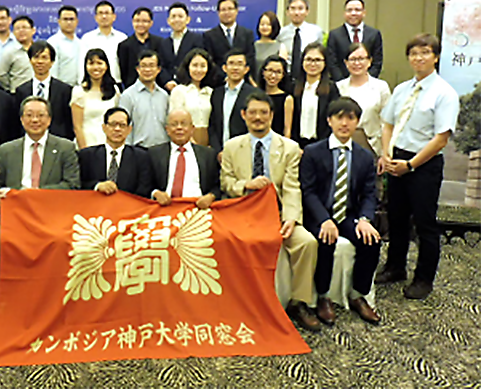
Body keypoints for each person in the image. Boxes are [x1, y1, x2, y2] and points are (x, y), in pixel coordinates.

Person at [220, 92, 320, 332]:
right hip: (243, 213)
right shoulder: (232, 146)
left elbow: (293, 187)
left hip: (277, 214)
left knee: (307, 242)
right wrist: (245, 184)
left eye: (264, 112)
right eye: (252, 112)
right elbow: (225, 182)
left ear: (272, 115)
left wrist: (291, 219)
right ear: (243, 115)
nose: (258, 118)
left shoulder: (290, 148)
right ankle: (234, 305)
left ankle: (300, 302)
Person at [376, 34, 459, 300]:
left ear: (435, 57)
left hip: (423, 164)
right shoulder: (401, 89)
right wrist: (387, 154)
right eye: (413, 53)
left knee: (424, 224)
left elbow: (441, 139)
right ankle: (395, 267)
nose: (418, 58)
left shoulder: (445, 92)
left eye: (425, 53)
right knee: (397, 218)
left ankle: (424, 278)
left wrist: (410, 165)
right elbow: (388, 124)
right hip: (397, 160)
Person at [300, 97, 381, 325]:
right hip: (319, 216)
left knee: (371, 241)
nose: (344, 123)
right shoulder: (313, 152)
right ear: (329, 121)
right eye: (339, 118)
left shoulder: (364, 156)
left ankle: (358, 295)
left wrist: (365, 219)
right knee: (326, 239)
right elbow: (308, 191)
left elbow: (369, 194)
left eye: (350, 118)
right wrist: (324, 219)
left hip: (348, 216)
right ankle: (323, 297)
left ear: (357, 122)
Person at [0, 96, 80, 273]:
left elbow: (72, 186)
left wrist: (35, 193)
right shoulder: (6, 150)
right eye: (29, 115)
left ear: (49, 119)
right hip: (16, 215)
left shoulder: (65, 147)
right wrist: (2, 194)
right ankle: (5, 295)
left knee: (60, 241)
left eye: (40, 115)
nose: (34, 120)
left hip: (52, 215)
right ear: (21, 119)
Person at [149, 109, 220, 209]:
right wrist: (156, 193)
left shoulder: (208, 154)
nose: (179, 128)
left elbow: (217, 186)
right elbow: (145, 186)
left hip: (198, 209)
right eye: (174, 124)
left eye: (184, 124)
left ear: (192, 128)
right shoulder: (154, 153)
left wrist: (211, 196)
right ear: (167, 130)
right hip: (164, 208)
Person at [78, 107, 152, 198]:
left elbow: (144, 188)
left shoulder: (141, 156)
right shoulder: (87, 155)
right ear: (104, 128)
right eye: (113, 124)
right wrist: (97, 186)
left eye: (122, 125)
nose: (117, 129)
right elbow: (79, 183)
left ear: (129, 129)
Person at [336, 43, 391, 156]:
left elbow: (387, 122)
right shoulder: (338, 87)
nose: (357, 63)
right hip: (342, 144)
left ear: (369, 61)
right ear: (346, 63)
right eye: (353, 59)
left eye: (361, 59)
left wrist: (385, 153)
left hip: (373, 145)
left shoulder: (381, 87)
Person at [15, 40, 74, 141]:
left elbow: (68, 122)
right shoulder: (21, 90)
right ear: (30, 60)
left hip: (57, 142)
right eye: (36, 57)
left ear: (52, 62)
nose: (40, 62)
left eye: (44, 57)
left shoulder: (65, 90)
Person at [208, 49, 260, 156]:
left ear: (246, 69)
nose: (235, 68)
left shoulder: (254, 94)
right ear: (224, 68)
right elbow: (213, 125)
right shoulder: (216, 93)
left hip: (245, 152)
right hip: (219, 154)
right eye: (231, 64)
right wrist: (218, 151)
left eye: (239, 64)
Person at [291, 42, 340, 148]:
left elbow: (333, 119)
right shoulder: (293, 87)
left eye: (317, 60)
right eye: (308, 59)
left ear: (325, 62)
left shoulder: (331, 89)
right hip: (297, 146)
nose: (312, 64)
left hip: (322, 146)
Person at [71, 48, 120, 149]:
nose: (96, 67)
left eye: (99, 63)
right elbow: (77, 127)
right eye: (91, 63)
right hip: (87, 144)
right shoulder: (79, 92)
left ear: (106, 66)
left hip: (109, 145)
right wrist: (84, 150)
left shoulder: (114, 90)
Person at [119, 50, 169, 148]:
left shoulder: (164, 95)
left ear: (158, 69)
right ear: (137, 69)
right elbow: (123, 127)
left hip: (163, 150)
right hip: (138, 150)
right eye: (144, 66)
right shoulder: (128, 96)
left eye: (151, 66)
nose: (147, 70)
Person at [327, 0, 384, 81]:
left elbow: (377, 62)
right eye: (349, 10)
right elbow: (332, 63)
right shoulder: (334, 35)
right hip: (341, 85)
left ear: (364, 13)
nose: (353, 13)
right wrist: (343, 83)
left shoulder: (374, 34)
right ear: (344, 13)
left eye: (357, 10)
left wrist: (366, 81)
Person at [169, 48, 216, 146]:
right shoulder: (179, 91)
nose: (198, 70)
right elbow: (174, 120)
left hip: (209, 144)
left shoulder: (211, 92)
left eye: (203, 66)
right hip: (186, 142)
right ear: (187, 67)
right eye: (195, 65)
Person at [204, 0, 256, 83]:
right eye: (223, 10)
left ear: (236, 11)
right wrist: (225, 76)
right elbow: (210, 61)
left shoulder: (247, 34)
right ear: (218, 13)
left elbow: (250, 58)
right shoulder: (209, 35)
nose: (227, 12)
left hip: (243, 83)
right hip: (218, 83)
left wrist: (239, 76)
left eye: (230, 9)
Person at [117, 7, 169, 89]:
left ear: (151, 23)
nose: (140, 24)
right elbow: (124, 73)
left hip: (157, 89)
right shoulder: (124, 45)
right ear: (132, 22)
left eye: (144, 21)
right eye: (137, 21)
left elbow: (163, 66)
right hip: (133, 90)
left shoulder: (160, 42)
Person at [276, 0, 324, 82]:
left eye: (300, 8)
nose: (296, 12)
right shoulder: (281, 33)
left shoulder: (316, 31)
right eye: (293, 9)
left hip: (308, 76)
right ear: (287, 12)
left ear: (307, 11)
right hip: (286, 77)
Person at [79, 1, 127, 86]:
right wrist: (82, 82)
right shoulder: (87, 38)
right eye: (100, 13)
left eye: (107, 13)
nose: (104, 16)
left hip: (117, 83)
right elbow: (82, 62)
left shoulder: (122, 38)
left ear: (114, 17)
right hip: (94, 84)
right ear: (96, 17)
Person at [159, 2, 204, 83]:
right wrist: (167, 81)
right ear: (168, 21)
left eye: (180, 16)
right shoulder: (163, 43)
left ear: (187, 20)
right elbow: (161, 66)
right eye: (173, 17)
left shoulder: (198, 39)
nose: (177, 20)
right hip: (168, 88)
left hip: (190, 86)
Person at [0, 15, 36, 93]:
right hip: (18, 94)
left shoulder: (39, 49)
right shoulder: (9, 52)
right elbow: (1, 76)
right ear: (13, 33)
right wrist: (13, 87)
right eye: (17, 29)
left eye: (24, 27)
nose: (21, 31)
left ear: (33, 30)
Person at [258, 55, 293, 138]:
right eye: (270, 70)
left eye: (278, 72)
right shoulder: (256, 95)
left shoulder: (287, 99)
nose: (273, 76)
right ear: (263, 72)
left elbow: (287, 129)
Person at [46, 5, 82, 86]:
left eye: (71, 19)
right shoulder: (53, 42)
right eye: (65, 19)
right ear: (59, 21)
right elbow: (52, 71)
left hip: (79, 89)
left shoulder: (80, 43)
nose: (69, 22)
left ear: (77, 21)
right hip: (60, 88)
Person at [254, 11, 288, 81]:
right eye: (262, 24)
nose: (265, 27)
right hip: (254, 86)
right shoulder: (253, 46)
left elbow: (282, 71)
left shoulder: (280, 47)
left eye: (268, 24)